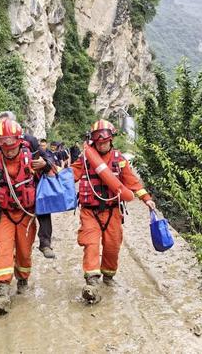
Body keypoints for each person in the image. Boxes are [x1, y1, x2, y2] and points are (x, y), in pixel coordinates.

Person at [70, 119, 156, 304]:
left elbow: (132, 182)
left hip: (112, 211)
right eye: (98, 141)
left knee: (112, 246)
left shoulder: (120, 160)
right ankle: (91, 283)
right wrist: (49, 174)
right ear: (93, 141)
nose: (102, 143)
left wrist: (146, 199)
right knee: (90, 243)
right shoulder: (85, 159)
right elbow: (70, 176)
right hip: (90, 211)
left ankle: (108, 277)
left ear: (111, 140)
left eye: (105, 140)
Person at [0, 119, 47, 314]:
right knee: (3, 250)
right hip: (3, 213)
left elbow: (50, 174)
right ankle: (3, 294)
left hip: (26, 214)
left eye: (11, 145)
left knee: (24, 253)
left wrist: (45, 164)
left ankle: (23, 279)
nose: (8, 150)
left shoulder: (31, 157)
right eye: (4, 145)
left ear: (19, 142)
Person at [0, 112, 56, 269]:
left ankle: (45, 242)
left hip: (26, 185)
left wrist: (44, 164)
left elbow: (49, 159)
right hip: (0, 187)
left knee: (43, 202)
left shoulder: (29, 141)